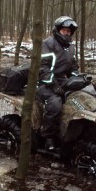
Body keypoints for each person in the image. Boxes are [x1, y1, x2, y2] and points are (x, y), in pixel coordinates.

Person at [36, 16, 79, 151]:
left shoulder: (70, 47)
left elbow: (73, 68)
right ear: (58, 30)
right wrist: (53, 85)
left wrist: (77, 79)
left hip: (61, 79)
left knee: (80, 97)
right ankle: (48, 137)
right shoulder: (48, 44)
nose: (67, 33)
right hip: (43, 82)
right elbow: (42, 68)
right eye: (64, 30)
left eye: (69, 31)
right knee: (55, 104)